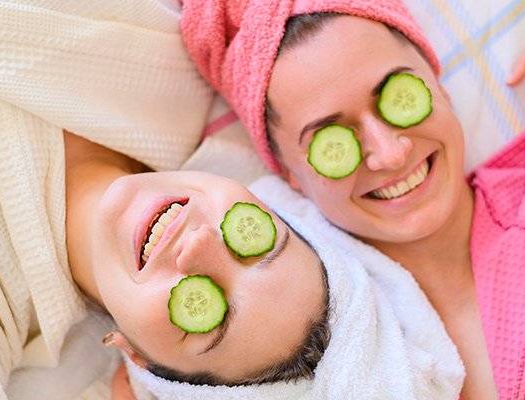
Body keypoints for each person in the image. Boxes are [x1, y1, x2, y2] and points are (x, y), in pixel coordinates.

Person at [180, 1, 525, 398]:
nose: (390, 153)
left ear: (439, 87)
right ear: (290, 174)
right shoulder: (312, 350)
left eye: (397, 96)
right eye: (331, 140)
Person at [63, 131, 331, 386]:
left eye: (203, 311)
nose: (198, 244)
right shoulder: (179, 100)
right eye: (257, 244)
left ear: (137, 357)